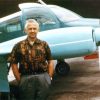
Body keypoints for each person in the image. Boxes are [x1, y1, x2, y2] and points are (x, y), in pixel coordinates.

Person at [8, 19, 54, 100]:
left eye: (34, 28)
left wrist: (49, 77)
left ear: (38, 30)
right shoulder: (18, 46)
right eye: (30, 29)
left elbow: (50, 60)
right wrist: (19, 80)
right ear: (25, 30)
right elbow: (13, 64)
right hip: (26, 78)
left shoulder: (44, 44)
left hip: (43, 77)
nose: (32, 31)